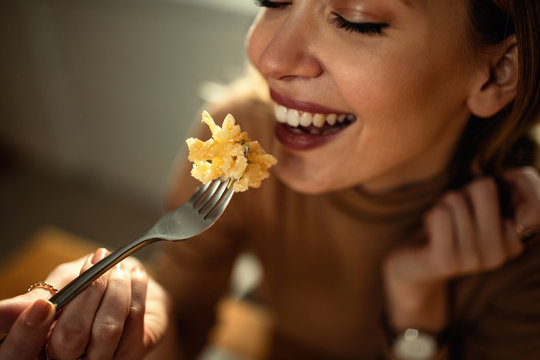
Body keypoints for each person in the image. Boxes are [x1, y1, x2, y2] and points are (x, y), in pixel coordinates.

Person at [1, 0, 540, 359]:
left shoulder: (525, 243)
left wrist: (418, 316)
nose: (272, 58)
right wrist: (140, 325)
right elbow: (182, 321)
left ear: (497, 71)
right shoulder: (243, 140)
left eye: (356, 18)